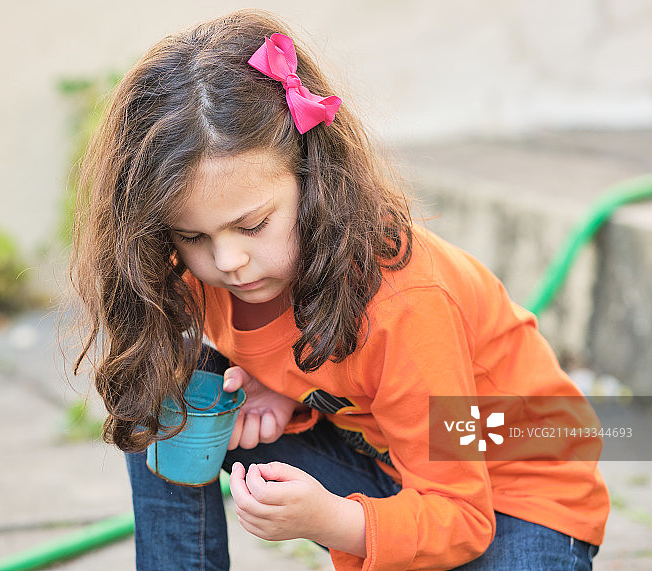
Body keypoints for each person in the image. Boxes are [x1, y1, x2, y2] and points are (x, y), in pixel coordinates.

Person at [69, 9, 608, 570]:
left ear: (314, 183)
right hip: (394, 461)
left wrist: (330, 520)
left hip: (513, 494)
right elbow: (344, 376)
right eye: (193, 236)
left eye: (252, 226)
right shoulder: (216, 275)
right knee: (160, 387)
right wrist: (280, 389)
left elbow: (464, 516)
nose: (228, 261)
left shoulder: (405, 303)